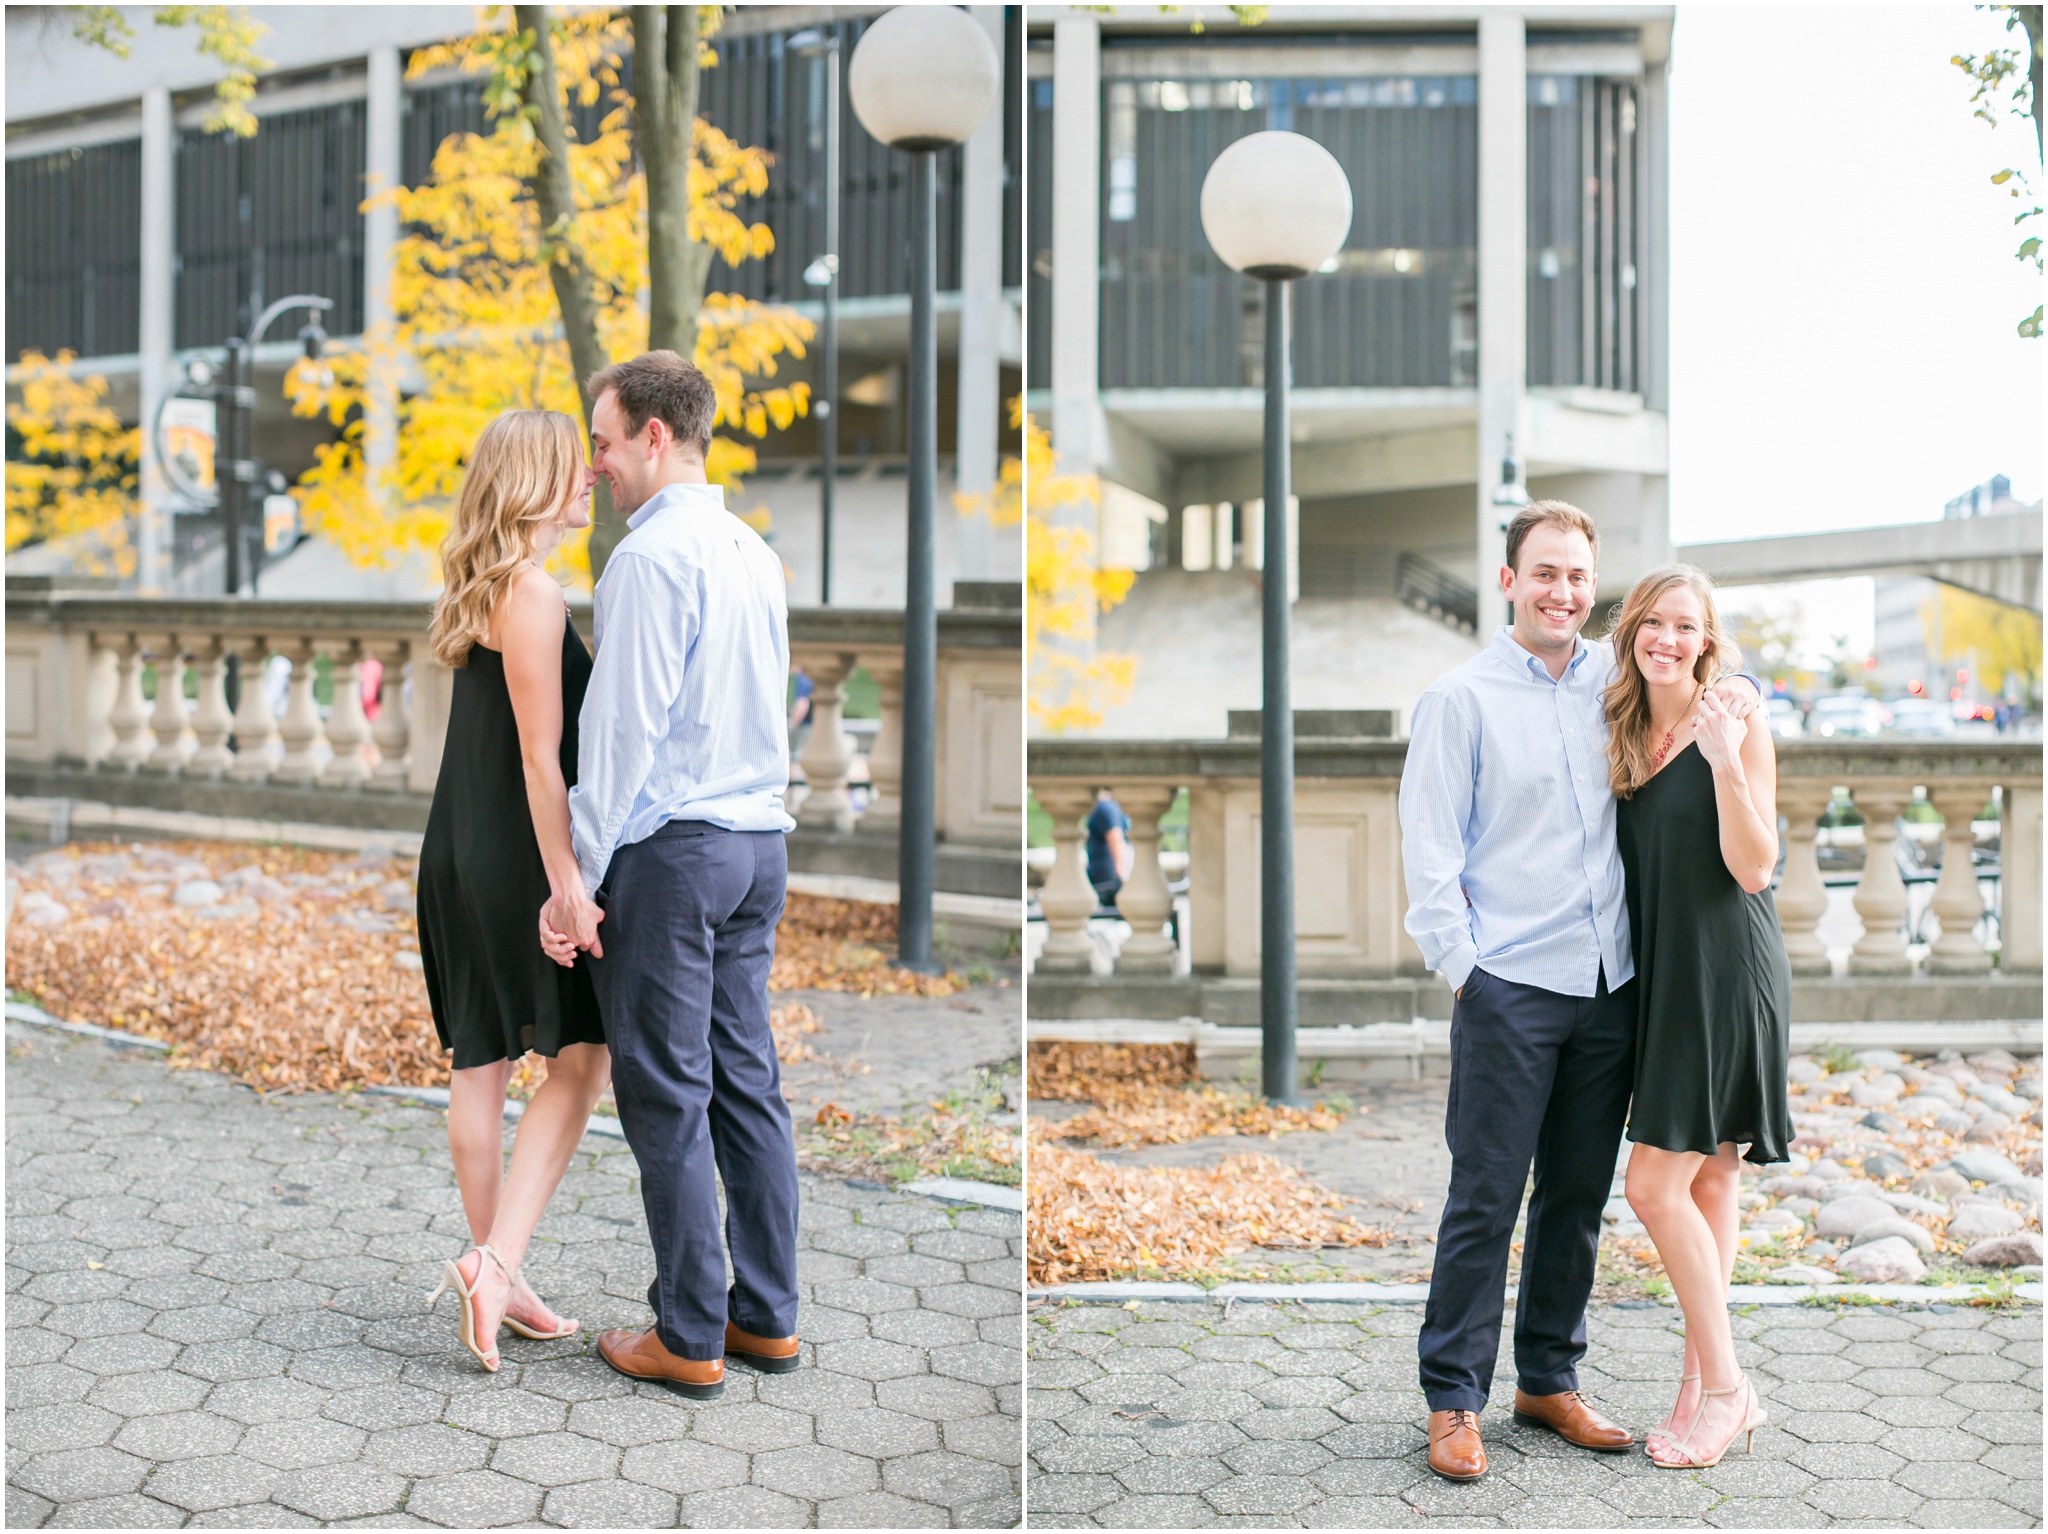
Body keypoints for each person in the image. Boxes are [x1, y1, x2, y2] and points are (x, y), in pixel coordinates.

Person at [1397, 501, 1762, 1482]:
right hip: (1509, 987)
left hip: (1612, 992)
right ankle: (1453, 1398)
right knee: (1483, 1196)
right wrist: (1468, 976)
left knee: (1575, 1198)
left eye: (1575, 577)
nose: (1560, 591)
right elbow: (1428, 863)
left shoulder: (1610, 677)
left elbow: (1704, 664)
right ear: (1507, 580)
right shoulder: (1458, 700)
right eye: (1542, 572)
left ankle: (1546, 1379)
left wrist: (1740, 701)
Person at [539, 350, 800, 1402]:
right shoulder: (752, 552)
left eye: (603, 443)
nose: (595, 465)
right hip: (756, 848)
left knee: (665, 1093)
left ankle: (687, 1331)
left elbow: (620, 736)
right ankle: (766, 1317)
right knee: (750, 1084)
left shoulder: (648, 561)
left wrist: (576, 881)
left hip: (675, 853)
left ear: (655, 435)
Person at [416, 410, 611, 1372]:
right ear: (534, 481)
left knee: (479, 1065)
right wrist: (567, 882)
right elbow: (542, 764)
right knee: (580, 1061)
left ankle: (499, 1274)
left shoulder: (477, 585)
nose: (587, 483)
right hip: (513, 858)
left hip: (455, 845)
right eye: (573, 471)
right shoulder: (532, 594)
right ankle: (496, 1262)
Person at [1608, 564, 1789, 1470]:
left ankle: (1727, 1389)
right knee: (1712, 1181)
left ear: (1707, 641)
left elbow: (1756, 867)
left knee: (1652, 1186)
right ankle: (1697, 1390)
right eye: (1653, 623)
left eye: (1686, 627)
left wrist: (1725, 765)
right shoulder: (1623, 724)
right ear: (1632, 631)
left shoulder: (1735, 721)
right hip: (1665, 976)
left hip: (1726, 973)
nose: (1667, 639)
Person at [1085, 788, 1133, 909]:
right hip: (1107, 875)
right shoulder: (1114, 807)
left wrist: (1120, 873)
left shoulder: (1103, 808)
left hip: (1105, 878)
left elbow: (1115, 836)